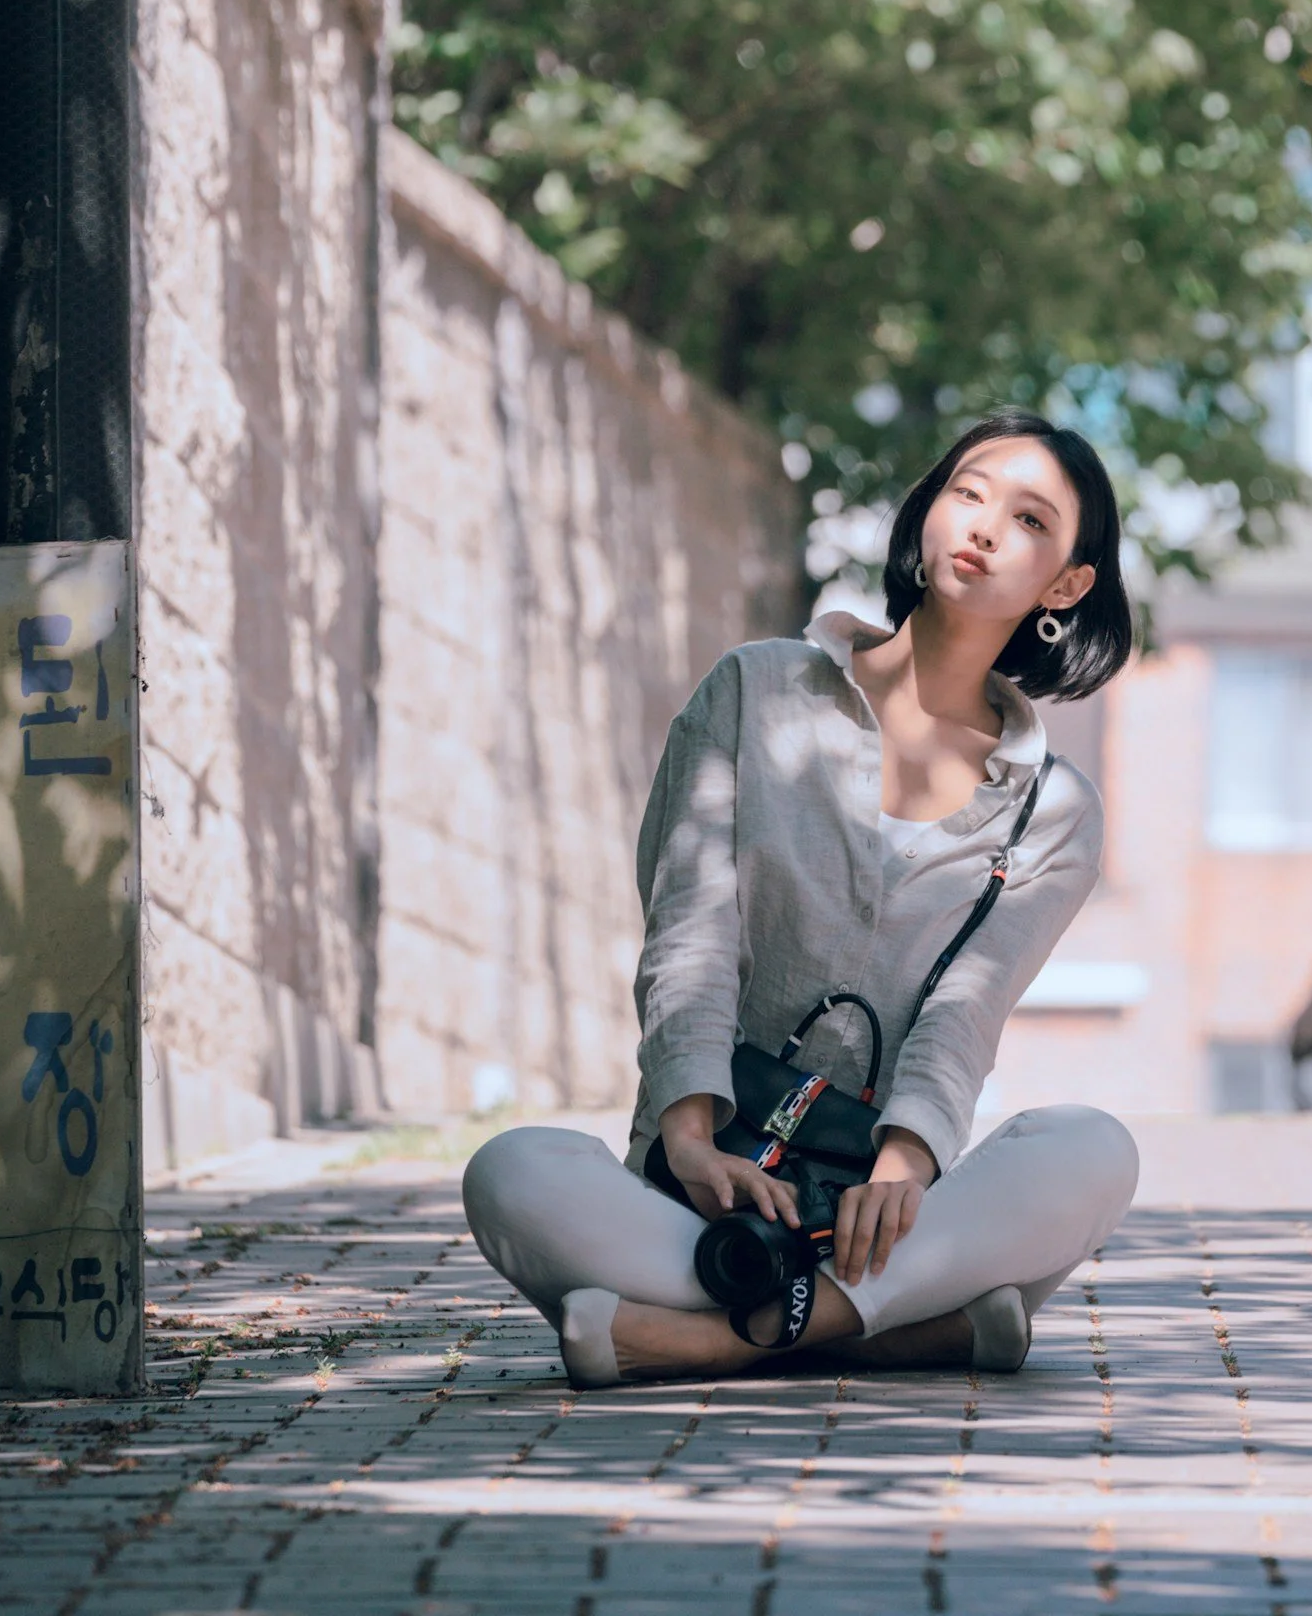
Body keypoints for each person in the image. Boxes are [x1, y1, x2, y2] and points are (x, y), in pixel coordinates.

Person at [462, 408, 1141, 1387]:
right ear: (929, 513)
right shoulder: (757, 689)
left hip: (884, 1219)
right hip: (707, 1200)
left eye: (1031, 521)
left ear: (1067, 585)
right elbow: (689, 932)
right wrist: (692, 1142)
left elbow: (967, 1012)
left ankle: (709, 1337)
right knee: (512, 1172)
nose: (987, 529)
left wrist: (900, 1173)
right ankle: (898, 1331)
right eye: (969, 494)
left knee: (1091, 1150)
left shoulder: (1053, 809)